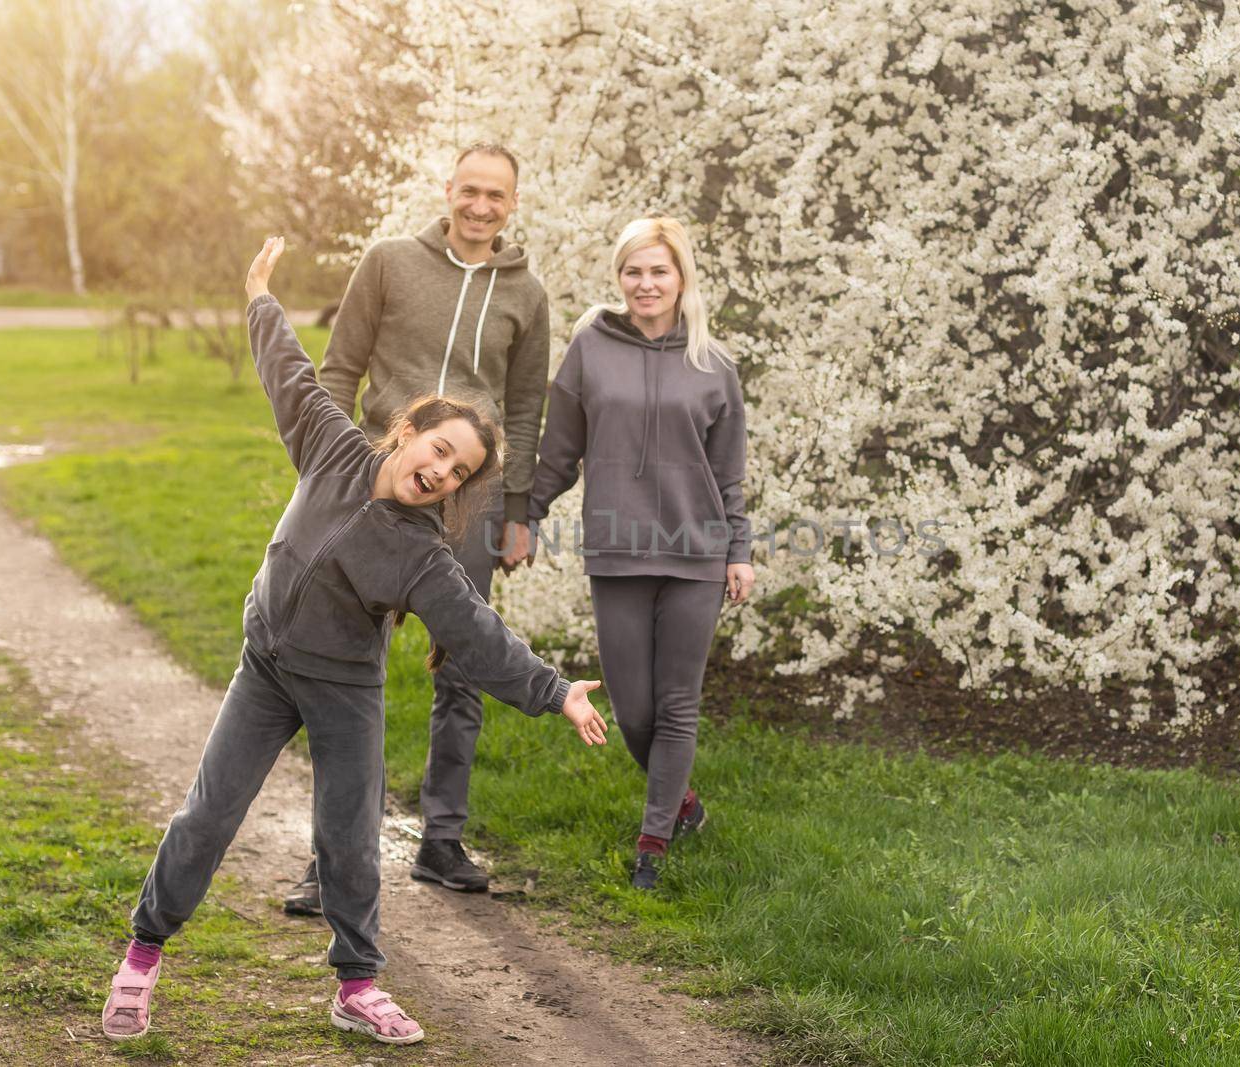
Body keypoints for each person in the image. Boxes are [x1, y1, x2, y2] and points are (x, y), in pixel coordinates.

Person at [100, 236, 607, 1046]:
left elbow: (478, 633)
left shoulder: (422, 553)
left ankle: (357, 985)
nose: (442, 473)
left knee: (350, 838)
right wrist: (259, 292)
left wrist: (553, 689)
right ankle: (142, 955)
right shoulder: (331, 444)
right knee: (207, 815)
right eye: (439, 449)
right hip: (267, 668)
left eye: (458, 473)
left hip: (344, 689)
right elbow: (289, 370)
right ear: (409, 431)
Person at [281, 142, 550, 911]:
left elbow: (527, 407)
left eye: (495, 195)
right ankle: (330, 862)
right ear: (448, 191)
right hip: (377, 480)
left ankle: (442, 839)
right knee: (345, 665)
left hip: (470, 498)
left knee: (462, 660)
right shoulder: (390, 262)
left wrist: (519, 508)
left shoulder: (526, 293)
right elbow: (337, 366)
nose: (480, 206)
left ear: (512, 204)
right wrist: (324, 460)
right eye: (469, 191)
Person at [527, 215, 754, 890]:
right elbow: (559, 447)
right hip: (618, 549)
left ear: (681, 277)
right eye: (634, 271)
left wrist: (738, 549)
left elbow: (729, 474)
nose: (645, 283)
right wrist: (528, 513)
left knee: (678, 702)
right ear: (619, 277)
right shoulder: (591, 346)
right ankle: (683, 802)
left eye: (659, 270)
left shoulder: (715, 365)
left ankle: (652, 841)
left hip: (697, 553)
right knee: (633, 706)